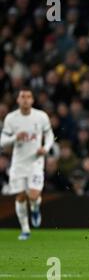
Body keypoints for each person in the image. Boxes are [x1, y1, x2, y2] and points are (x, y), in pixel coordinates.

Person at [0, 87, 54, 240]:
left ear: (32, 100)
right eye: (22, 96)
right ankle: (25, 230)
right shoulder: (11, 118)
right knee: (21, 196)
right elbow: (3, 142)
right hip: (18, 163)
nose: (25, 99)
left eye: (28, 97)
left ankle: (35, 208)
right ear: (18, 100)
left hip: (36, 162)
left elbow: (49, 134)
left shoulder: (41, 116)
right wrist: (15, 137)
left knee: (33, 194)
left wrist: (46, 148)